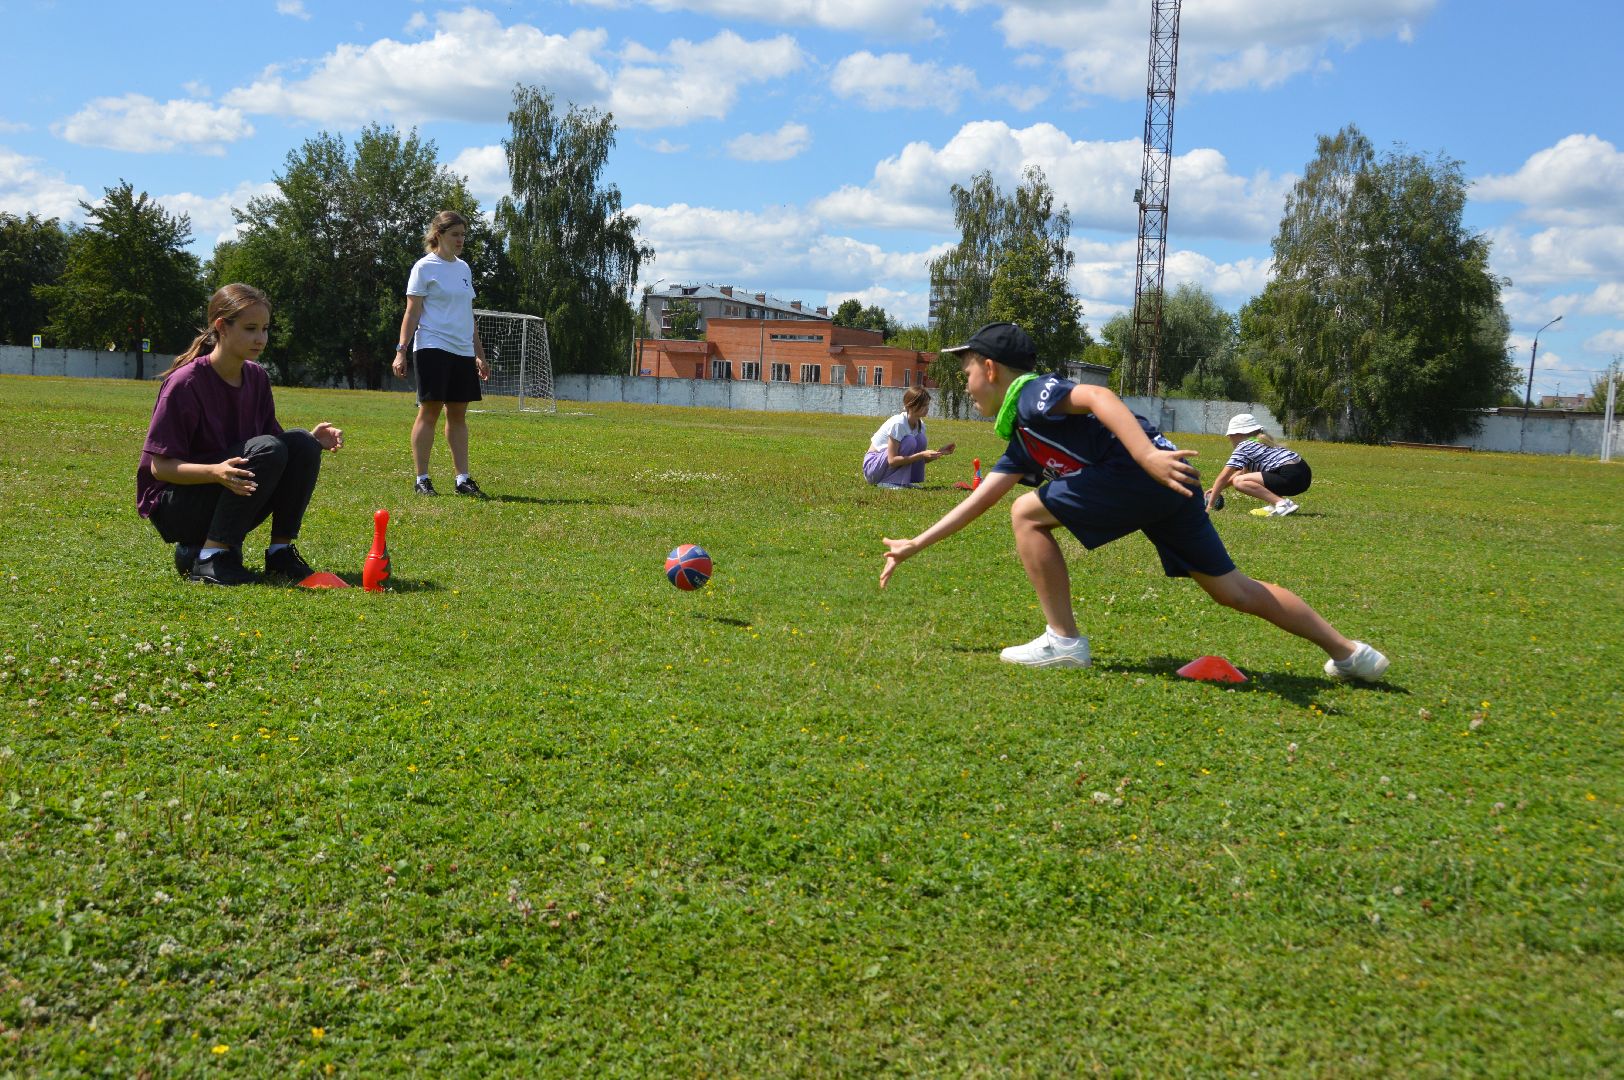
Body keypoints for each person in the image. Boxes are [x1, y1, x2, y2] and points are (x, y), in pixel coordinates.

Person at [878, 322, 1388, 681]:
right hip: (1171, 482)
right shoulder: (1023, 438)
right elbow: (978, 501)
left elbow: (1099, 397)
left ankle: (1063, 641)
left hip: (1145, 472)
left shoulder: (1033, 393)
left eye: (966, 374)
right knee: (1233, 590)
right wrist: (914, 544)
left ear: (990, 369)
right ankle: (1350, 653)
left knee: (1026, 512)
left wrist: (1144, 455)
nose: (964, 386)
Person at [137, 284, 344, 586]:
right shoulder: (185, 383)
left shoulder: (257, 377)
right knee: (272, 449)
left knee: (300, 442)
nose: (260, 338)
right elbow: (161, 467)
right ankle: (211, 559)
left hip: (227, 492)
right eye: (250, 328)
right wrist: (215, 472)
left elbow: (273, 449)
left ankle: (280, 554)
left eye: (265, 329)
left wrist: (311, 442)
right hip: (177, 505)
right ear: (222, 327)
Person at [392, 210, 489, 497]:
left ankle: (463, 480)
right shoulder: (424, 267)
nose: (461, 240)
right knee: (430, 410)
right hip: (433, 347)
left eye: (463, 235)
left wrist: (479, 353)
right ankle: (422, 478)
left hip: (461, 350)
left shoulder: (464, 269)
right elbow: (412, 311)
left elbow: (467, 314)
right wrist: (401, 350)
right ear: (439, 235)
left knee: (458, 415)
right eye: (455, 234)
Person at [1206, 414, 1311, 517]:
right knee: (1243, 478)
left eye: (1230, 435)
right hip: (1303, 474)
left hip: (1290, 476)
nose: (1229, 437)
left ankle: (1281, 504)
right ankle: (1276, 504)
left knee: (1239, 482)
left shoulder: (1244, 446)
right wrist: (1215, 489)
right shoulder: (1260, 441)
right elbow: (1241, 472)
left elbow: (1224, 476)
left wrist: (1209, 504)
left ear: (1239, 434)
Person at [862, 386, 955, 488]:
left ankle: (903, 481)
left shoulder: (920, 425)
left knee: (920, 439)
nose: (927, 408)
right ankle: (888, 482)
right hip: (873, 469)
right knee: (909, 441)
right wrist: (921, 455)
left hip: (883, 466)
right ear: (912, 406)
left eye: (927, 405)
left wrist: (939, 452)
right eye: (924, 405)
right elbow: (892, 460)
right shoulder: (898, 424)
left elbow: (918, 459)